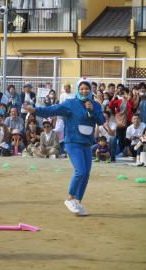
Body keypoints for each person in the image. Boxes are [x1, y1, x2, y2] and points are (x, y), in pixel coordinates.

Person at [25, 78, 105, 216]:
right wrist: (35, 110)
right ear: (77, 90)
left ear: (91, 90)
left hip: (86, 142)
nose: (84, 91)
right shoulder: (70, 103)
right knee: (80, 171)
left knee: (86, 174)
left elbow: (101, 121)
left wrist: (92, 110)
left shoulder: (95, 105)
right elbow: (52, 109)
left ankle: (78, 202)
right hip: (73, 142)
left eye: (86, 88)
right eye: (81, 88)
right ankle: (70, 198)